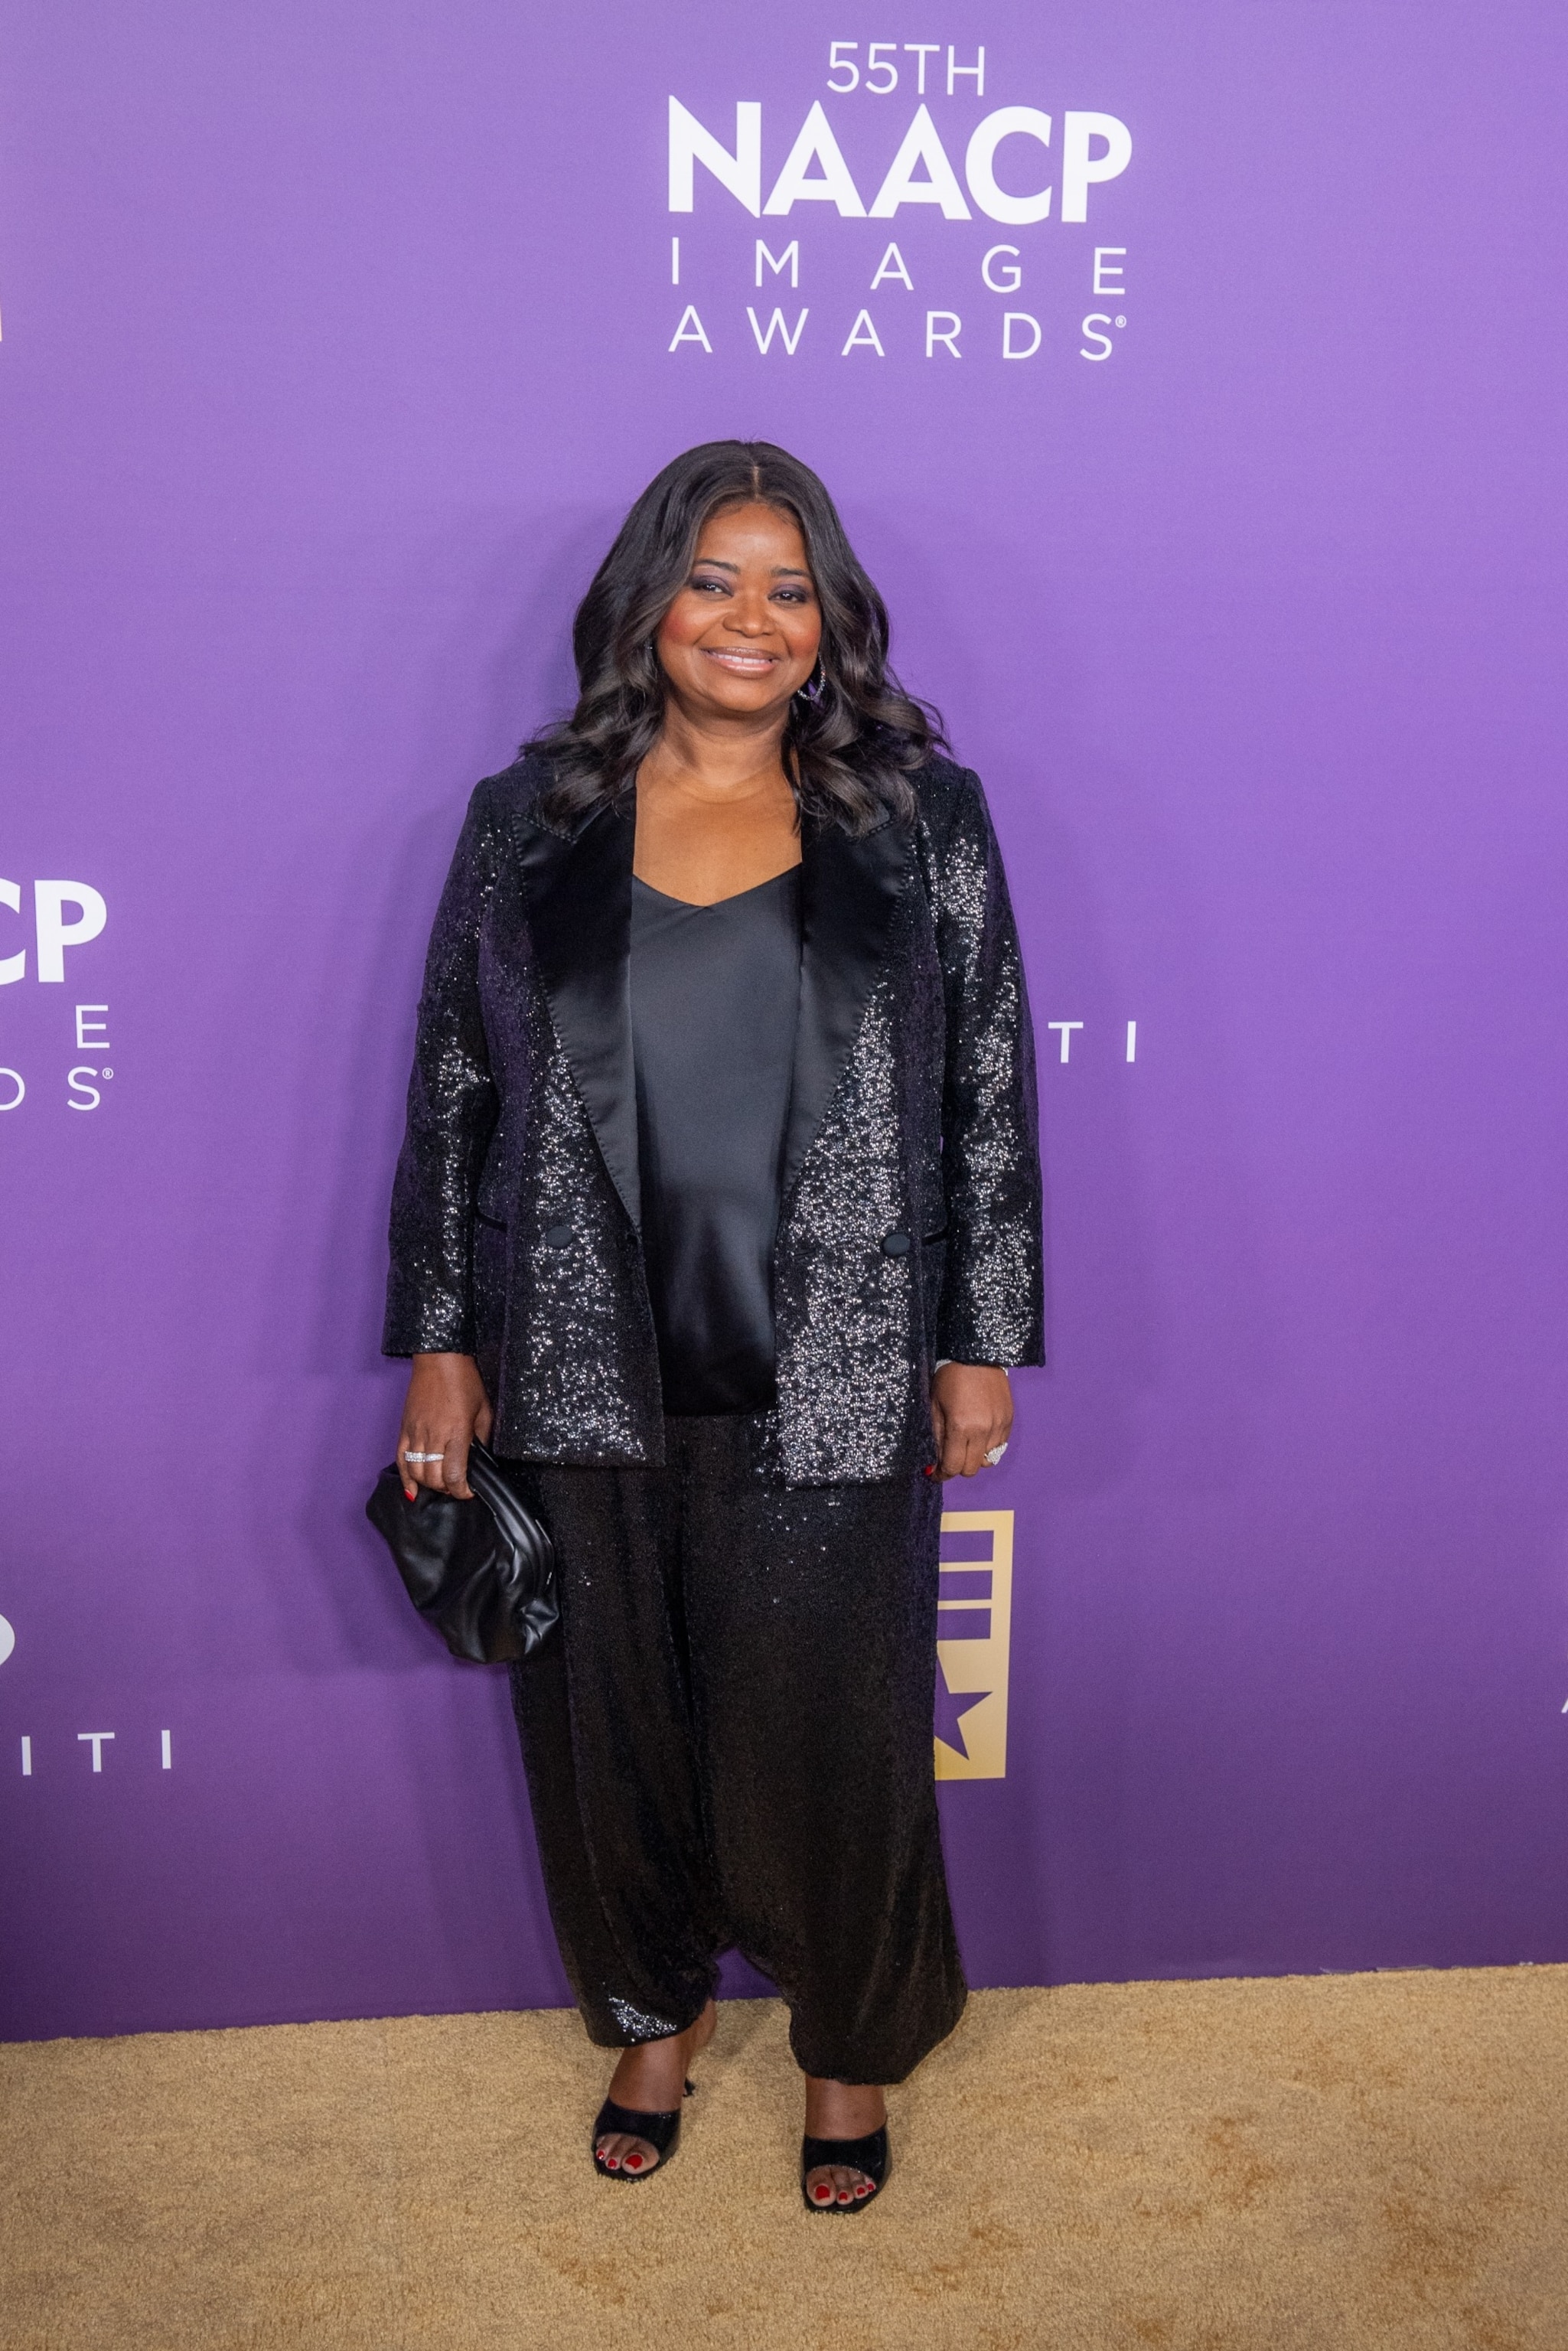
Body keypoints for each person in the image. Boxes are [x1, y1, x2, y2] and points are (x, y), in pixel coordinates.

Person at [383, 440, 1043, 2212]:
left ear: (825, 622)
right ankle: (649, 2012)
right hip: (577, 1346)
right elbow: (455, 1086)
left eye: (785, 587)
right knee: (612, 1718)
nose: (747, 619)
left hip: (836, 1353)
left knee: (827, 1723)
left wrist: (976, 1335)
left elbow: (983, 1087)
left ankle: (845, 2049)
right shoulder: (522, 825)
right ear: (645, 606)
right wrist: (441, 1335)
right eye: (711, 580)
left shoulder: (922, 820)